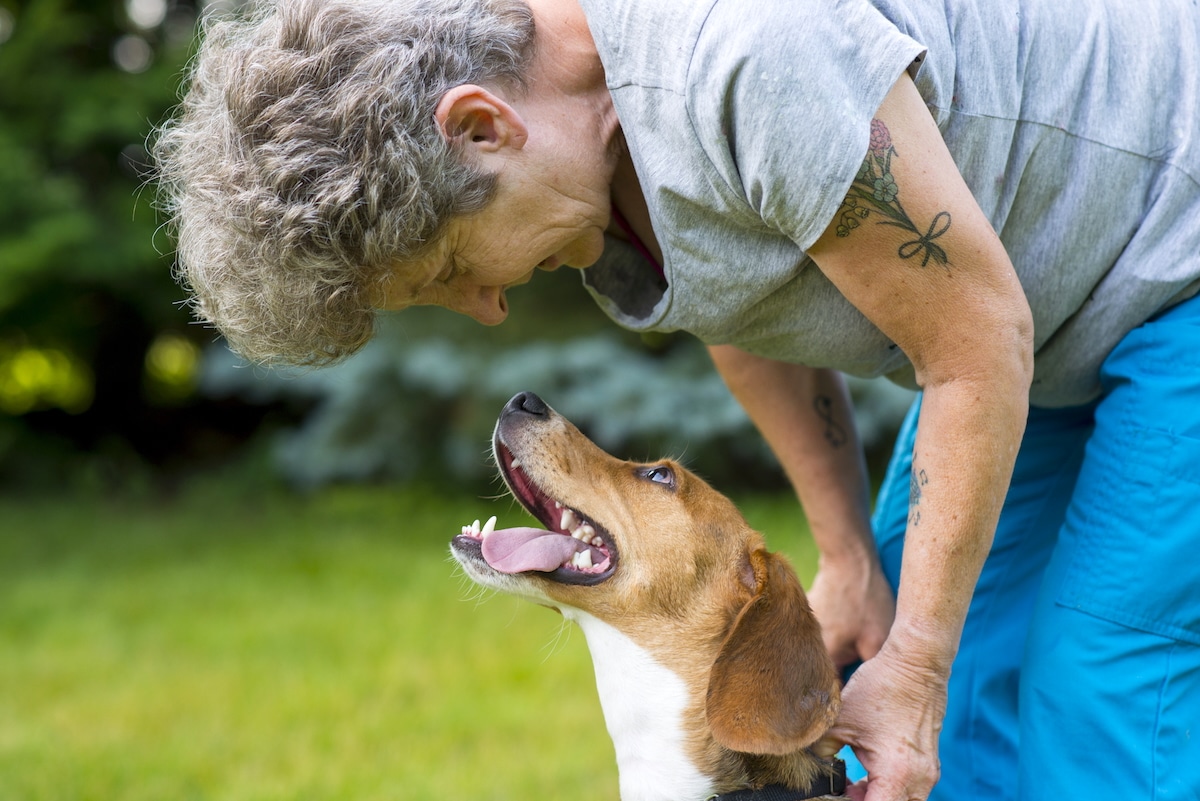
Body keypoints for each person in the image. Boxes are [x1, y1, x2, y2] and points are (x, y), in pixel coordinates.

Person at [153, 0, 1200, 798]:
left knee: (1099, 685)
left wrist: (916, 664)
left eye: (450, 270)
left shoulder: (743, 58)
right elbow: (752, 314)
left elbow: (974, 343)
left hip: (1173, 268)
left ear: (481, 127)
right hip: (1054, 322)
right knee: (948, 703)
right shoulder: (598, 170)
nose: (485, 308)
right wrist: (847, 560)